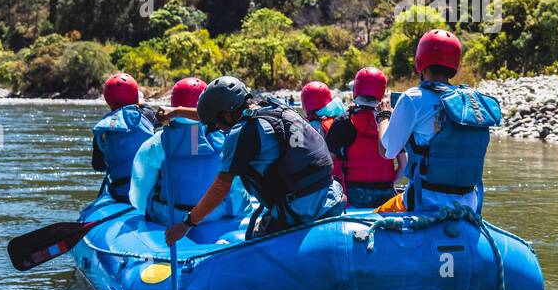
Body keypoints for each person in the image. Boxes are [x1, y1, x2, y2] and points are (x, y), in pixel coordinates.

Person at [163, 76, 344, 246]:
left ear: (227, 114)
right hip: (329, 193)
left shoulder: (242, 133)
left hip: (300, 209)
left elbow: (220, 188)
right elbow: (212, 116)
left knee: (252, 246)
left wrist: (187, 223)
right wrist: (178, 112)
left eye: (217, 123)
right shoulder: (275, 108)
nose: (216, 128)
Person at [379, 29, 501, 216]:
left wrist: (384, 116)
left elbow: (387, 151)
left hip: (425, 201)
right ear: (455, 65)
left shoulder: (412, 98)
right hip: (469, 203)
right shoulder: (469, 103)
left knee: (378, 214)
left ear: (420, 62)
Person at [128, 77, 253, 226]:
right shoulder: (227, 138)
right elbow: (236, 187)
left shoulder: (157, 142)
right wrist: (243, 211)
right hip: (217, 213)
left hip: (167, 216)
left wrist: (143, 210)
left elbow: (141, 183)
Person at [325, 66, 404, 209]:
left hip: (353, 194)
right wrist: (390, 180)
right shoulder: (390, 121)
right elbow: (404, 165)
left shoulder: (342, 121)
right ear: (381, 91)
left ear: (356, 89)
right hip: (385, 194)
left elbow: (327, 163)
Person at [92, 73, 155, 203]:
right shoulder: (147, 115)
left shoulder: (103, 128)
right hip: (149, 192)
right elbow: (148, 113)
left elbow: (98, 166)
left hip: (120, 195)